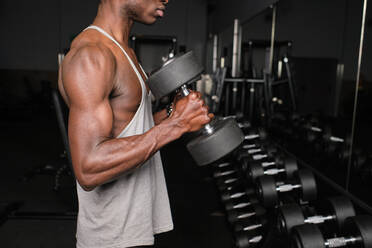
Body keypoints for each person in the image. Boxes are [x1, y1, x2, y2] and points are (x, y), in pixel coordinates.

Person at [57, 0, 213, 247]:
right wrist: (176, 125)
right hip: (110, 236)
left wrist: (175, 113)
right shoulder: (92, 55)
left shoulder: (124, 51)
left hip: (133, 228)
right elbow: (88, 167)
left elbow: (132, 127)